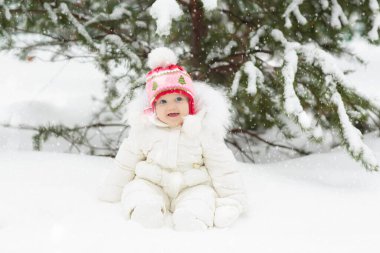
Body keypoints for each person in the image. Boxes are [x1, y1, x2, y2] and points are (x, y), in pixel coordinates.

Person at [97, 47, 247, 230]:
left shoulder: (202, 131)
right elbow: (125, 163)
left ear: (190, 103)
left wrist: (232, 200)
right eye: (163, 101)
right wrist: (111, 193)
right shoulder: (144, 130)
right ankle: (145, 211)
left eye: (178, 99)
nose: (171, 106)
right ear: (153, 106)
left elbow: (223, 167)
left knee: (202, 198)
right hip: (152, 182)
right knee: (137, 191)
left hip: (191, 185)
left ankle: (192, 218)